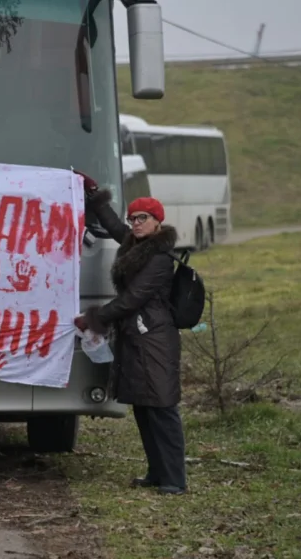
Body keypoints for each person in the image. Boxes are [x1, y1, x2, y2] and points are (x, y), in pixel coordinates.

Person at [73, 171, 187, 496]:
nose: (136, 223)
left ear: (157, 223)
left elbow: (133, 298)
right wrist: (94, 194)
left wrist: (93, 319)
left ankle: (175, 480)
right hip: (139, 339)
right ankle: (157, 472)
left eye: (143, 218)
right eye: (133, 218)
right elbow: (112, 226)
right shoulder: (135, 246)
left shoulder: (160, 259)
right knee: (145, 407)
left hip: (155, 341)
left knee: (162, 409)